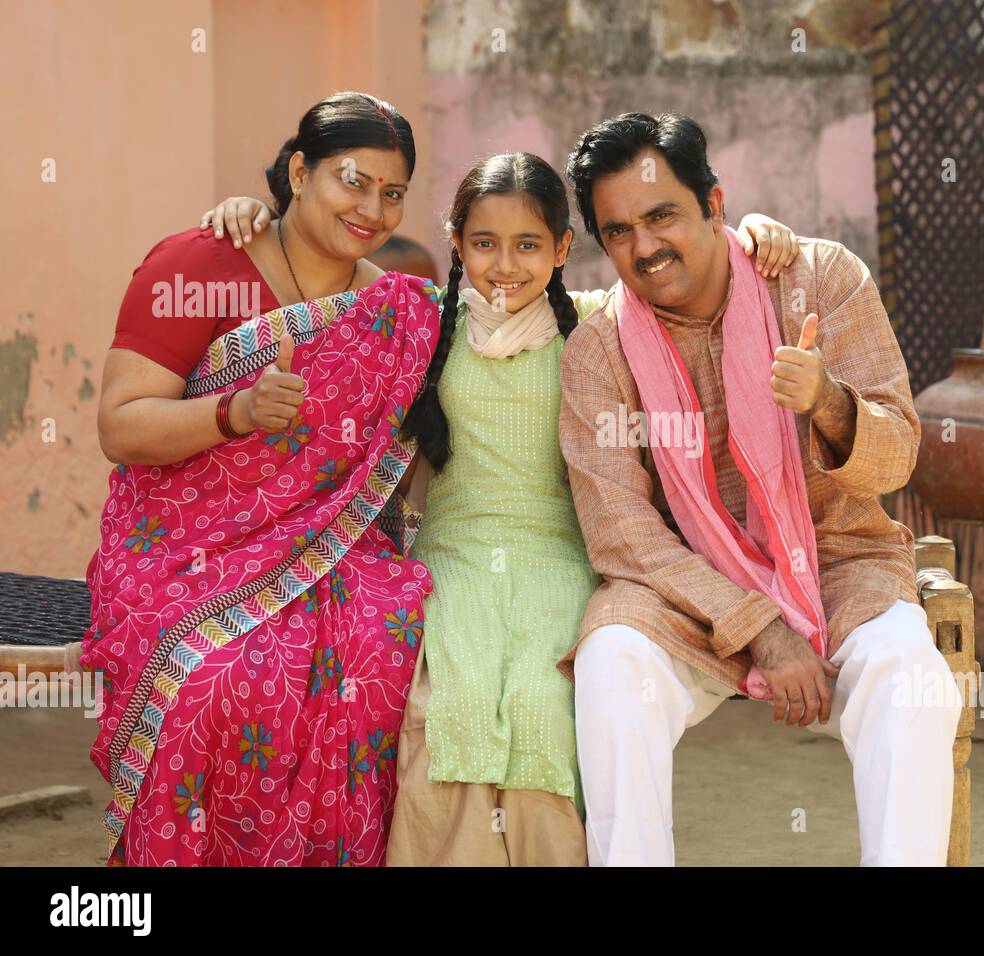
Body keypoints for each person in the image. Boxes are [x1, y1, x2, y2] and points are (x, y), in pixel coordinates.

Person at [202, 165, 799, 866]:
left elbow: (695, 277)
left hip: (564, 562)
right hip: (450, 563)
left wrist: (755, 235)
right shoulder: (422, 323)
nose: (505, 265)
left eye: (527, 244)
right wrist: (258, 220)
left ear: (561, 247)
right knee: (441, 714)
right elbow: (322, 268)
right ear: (456, 243)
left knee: (543, 713)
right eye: (484, 243)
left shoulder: (603, 327)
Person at [557, 112, 963, 866]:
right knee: (612, 662)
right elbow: (623, 534)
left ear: (714, 204)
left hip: (842, 565)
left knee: (910, 679)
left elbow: (899, 456)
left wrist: (830, 404)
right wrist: (761, 627)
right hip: (686, 594)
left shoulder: (822, 280)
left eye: (661, 215)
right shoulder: (598, 349)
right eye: (618, 232)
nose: (644, 248)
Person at [84, 92, 438, 866]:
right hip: (181, 547)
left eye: (393, 192)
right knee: (213, 672)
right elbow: (120, 425)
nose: (373, 208)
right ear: (301, 172)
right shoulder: (198, 265)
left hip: (334, 552)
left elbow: (526, 314)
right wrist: (234, 412)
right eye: (353, 181)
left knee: (389, 646)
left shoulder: (389, 306)